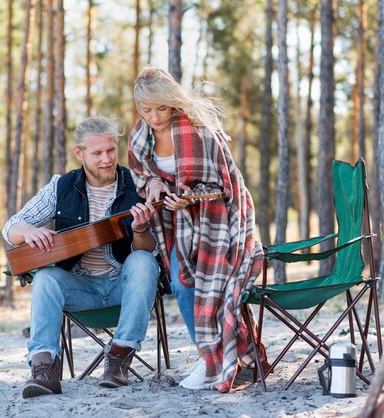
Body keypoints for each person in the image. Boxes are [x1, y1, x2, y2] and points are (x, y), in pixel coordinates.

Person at [127, 66, 265, 392]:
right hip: (178, 222)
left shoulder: (194, 129)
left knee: (205, 283)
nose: (154, 116)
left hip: (219, 215)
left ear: (173, 102)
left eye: (161, 107)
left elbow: (218, 183)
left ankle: (215, 358)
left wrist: (188, 197)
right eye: (146, 109)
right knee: (181, 279)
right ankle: (210, 356)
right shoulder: (139, 136)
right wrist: (154, 181)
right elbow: (139, 172)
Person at [3, 117, 160, 399]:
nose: (106, 159)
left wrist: (140, 228)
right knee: (46, 277)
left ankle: (119, 359)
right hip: (80, 288)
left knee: (144, 262)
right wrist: (27, 231)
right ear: (80, 153)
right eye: (97, 153)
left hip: (124, 287)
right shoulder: (61, 186)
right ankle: (44, 369)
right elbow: (11, 226)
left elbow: (149, 250)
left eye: (111, 150)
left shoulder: (138, 185)